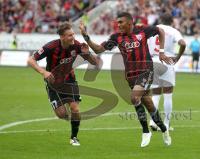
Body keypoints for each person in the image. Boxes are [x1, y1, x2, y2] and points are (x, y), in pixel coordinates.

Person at [79, 12, 172, 147]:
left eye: (121, 22)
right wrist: (85, 36)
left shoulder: (143, 30)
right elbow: (99, 49)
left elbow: (161, 31)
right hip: (130, 76)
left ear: (129, 23)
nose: (119, 25)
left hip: (146, 71)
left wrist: (162, 52)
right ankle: (164, 129)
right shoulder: (116, 37)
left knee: (134, 98)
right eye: (118, 23)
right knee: (148, 104)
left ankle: (146, 131)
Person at [27, 22, 100, 146]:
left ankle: (74, 137)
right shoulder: (51, 47)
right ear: (62, 37)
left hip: (69, 79)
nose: (73, 37)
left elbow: (95, 63)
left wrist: (87, 54)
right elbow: (31, 59)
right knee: (62, 115)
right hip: (53, 82)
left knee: (75, 109)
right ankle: (64, 106)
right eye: (70, 35)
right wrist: (43, 72)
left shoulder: (77, 46)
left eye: (73, 34)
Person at [147, 13, 186, 131]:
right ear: (171, 21)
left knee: (156, 94)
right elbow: (183, 43)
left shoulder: (152, 30)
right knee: (168, 94)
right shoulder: (173, 31)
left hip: (153, 61)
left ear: (160, 19)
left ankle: (153, 122)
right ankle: (166, 124)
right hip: (167, 60)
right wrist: (178, 58)